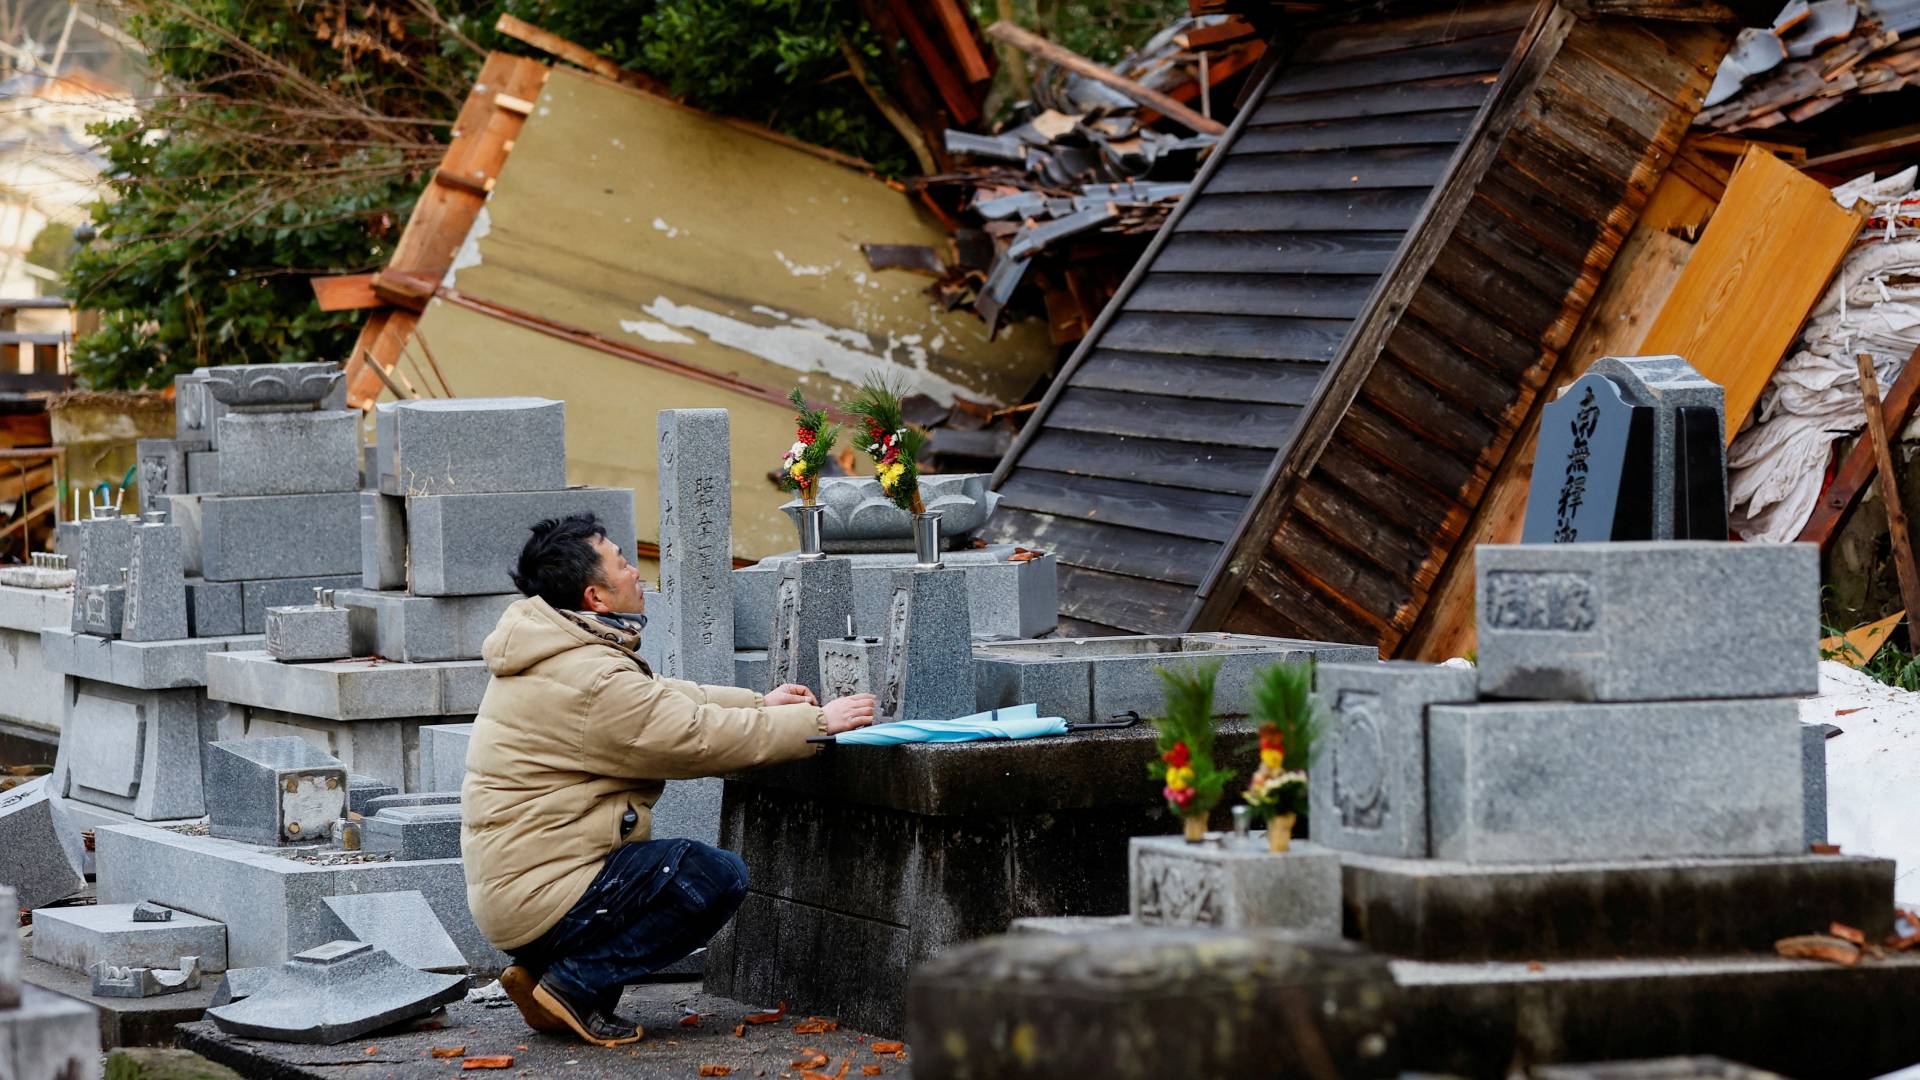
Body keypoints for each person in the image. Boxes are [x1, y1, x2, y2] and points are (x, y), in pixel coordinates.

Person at [461, 513, 877, 1047]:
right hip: (544, 889)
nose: (637, 572)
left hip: (528, 883)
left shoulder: (565, 651)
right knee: (707, 877)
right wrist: (816, 725)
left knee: (662, 871)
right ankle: (572, 981)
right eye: (621, 563)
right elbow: (695, 737)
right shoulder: (590, 676)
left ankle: (545, 974)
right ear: (596, 597)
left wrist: (761, 702)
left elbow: (665, 697)